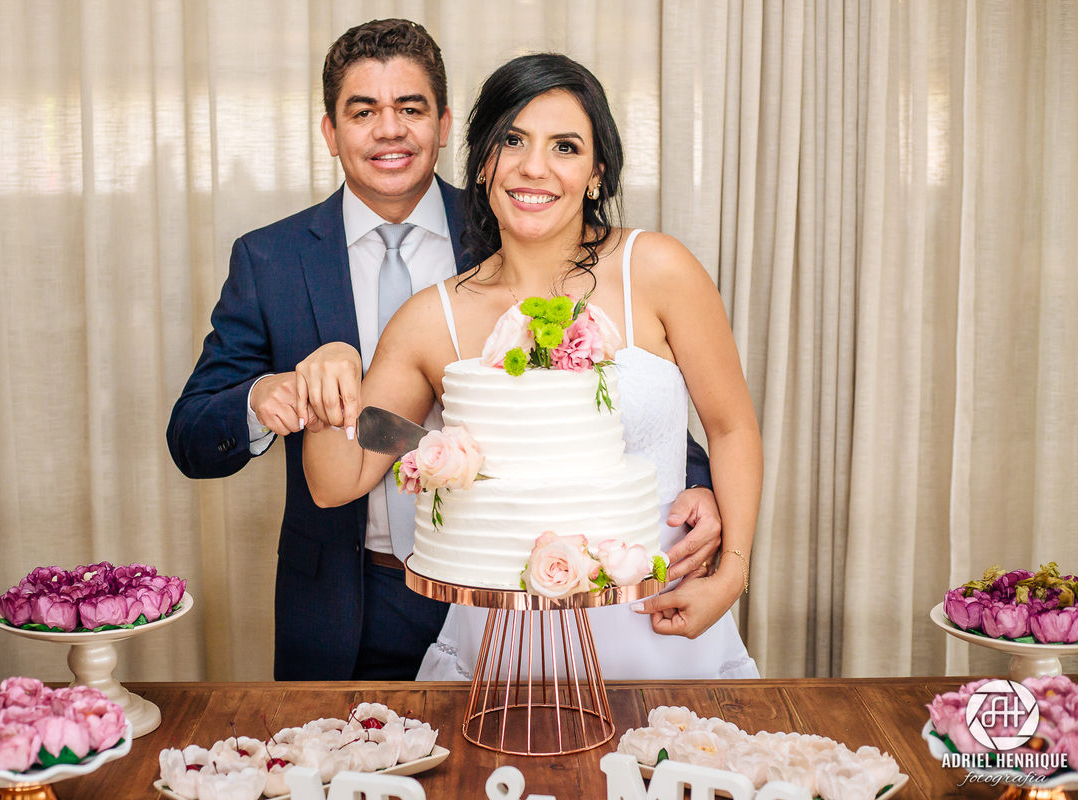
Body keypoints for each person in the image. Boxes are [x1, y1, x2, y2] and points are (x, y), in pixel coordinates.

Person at [168, 21, 724, 681]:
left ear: (445, 124)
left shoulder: (522, 218)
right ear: (330, 132)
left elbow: (603, 400)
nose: (389, 130)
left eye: (410, 108)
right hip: (355, 601)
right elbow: (194, 433)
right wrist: (271, 396)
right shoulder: (271, 260)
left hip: (528, 593)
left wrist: (696, 484)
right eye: (363, 111)